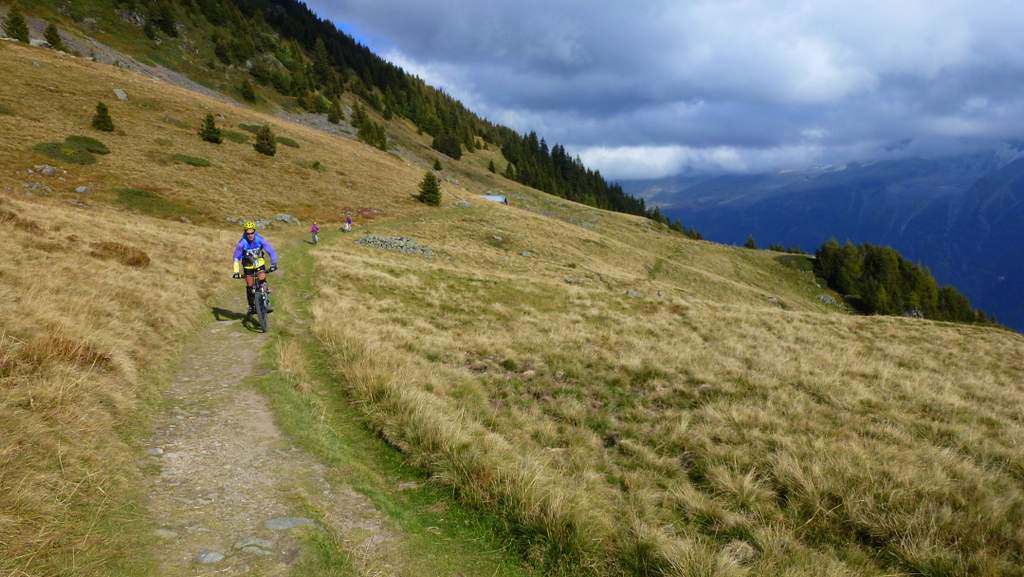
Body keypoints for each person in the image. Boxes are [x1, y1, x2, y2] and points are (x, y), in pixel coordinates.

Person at [232, 221, 278, 316]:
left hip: (259, 263)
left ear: (254, 231)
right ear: (245, 233)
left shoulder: (259, 239)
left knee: (262, 278)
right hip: (247, 266)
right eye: (247, 233)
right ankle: (251, 306)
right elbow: (236, 258)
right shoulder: (242, 243)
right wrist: (236, 271)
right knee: (249, 285)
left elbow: (271, 251)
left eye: (251, 232)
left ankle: (266, 300)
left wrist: (274, 263)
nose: (250, 235)